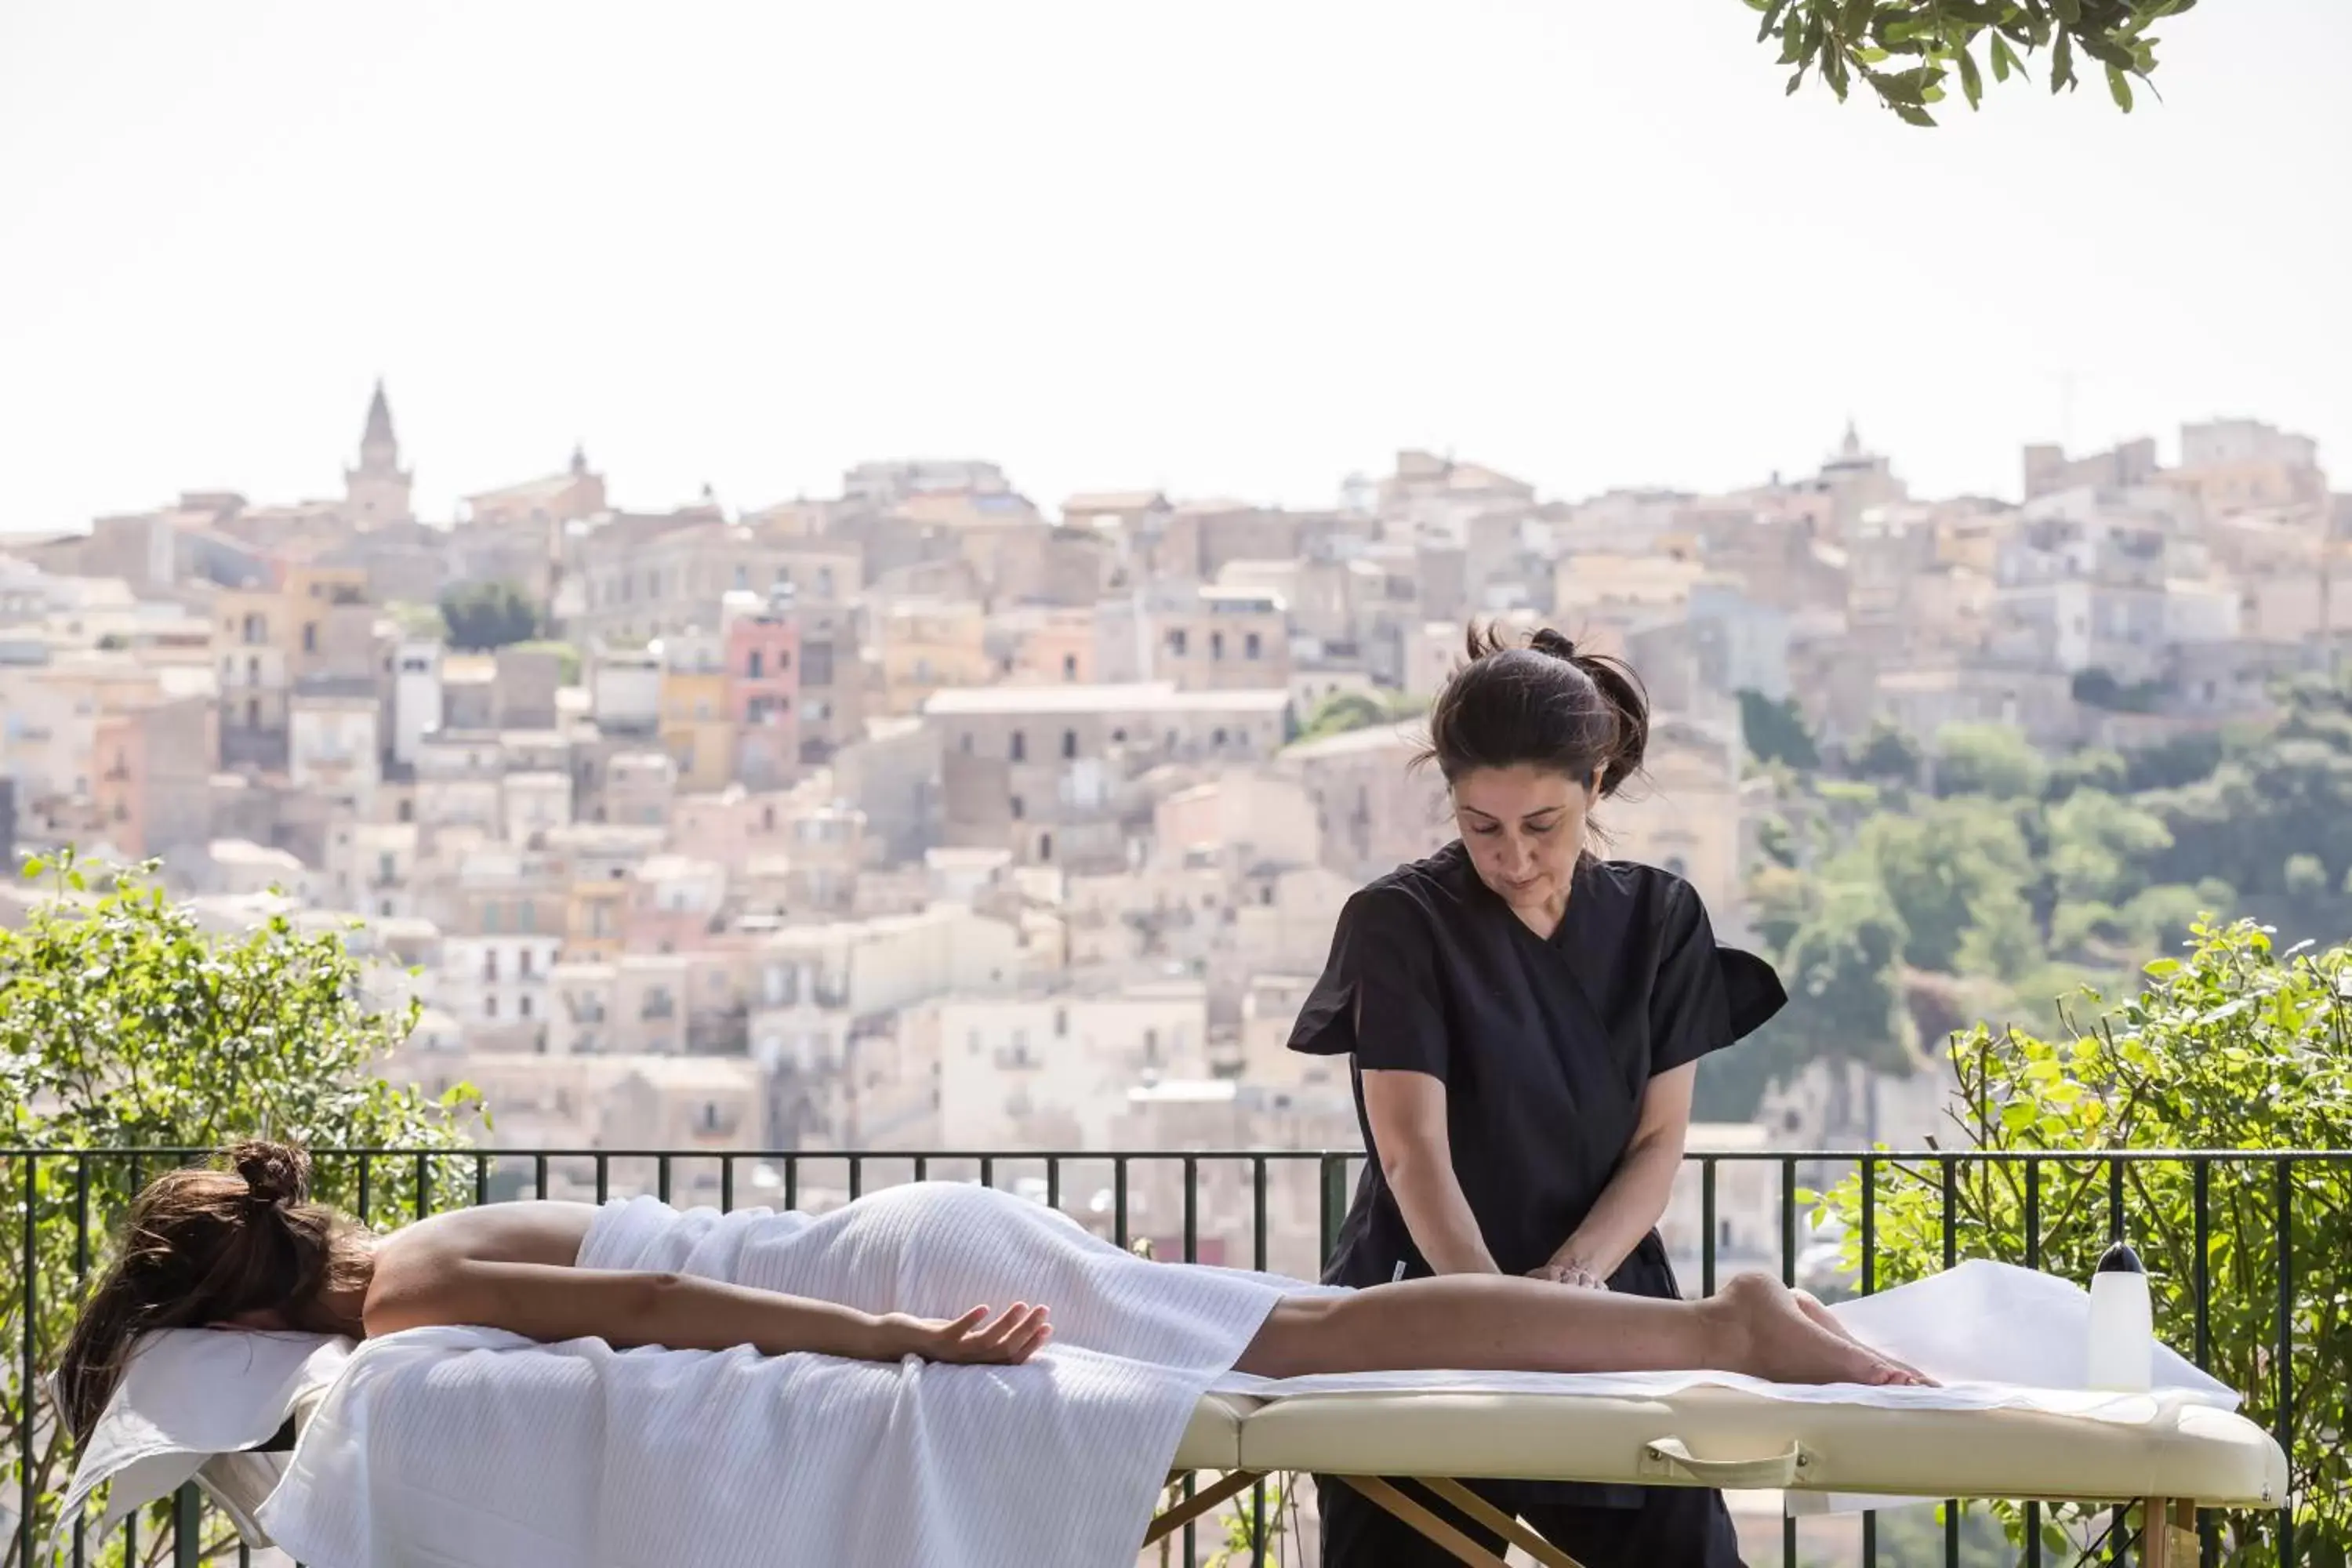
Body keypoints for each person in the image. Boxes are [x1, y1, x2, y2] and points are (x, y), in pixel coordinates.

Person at [55, 1140, 1922, 1453]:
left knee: (1337, 1332)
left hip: (909, 1270)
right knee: (1325, 1322)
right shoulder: (431, 1250)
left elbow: (675, 1301)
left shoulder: (413, 1293)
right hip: (905, 1229)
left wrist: (897, 1345)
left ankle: (1713, 1323)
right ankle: (1707, 1322)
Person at [1289, 624, 1789, 1568]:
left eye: (1541, 826)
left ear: (1595, 785)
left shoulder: (1662, 919)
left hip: (1609, 1304)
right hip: (1421, 1304)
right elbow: (1412, 1155)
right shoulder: (1399, 922)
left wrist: (1570, 1285)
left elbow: (1657, 1141)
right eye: (1483, 826)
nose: (1512, 857)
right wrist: (1493, 1317)